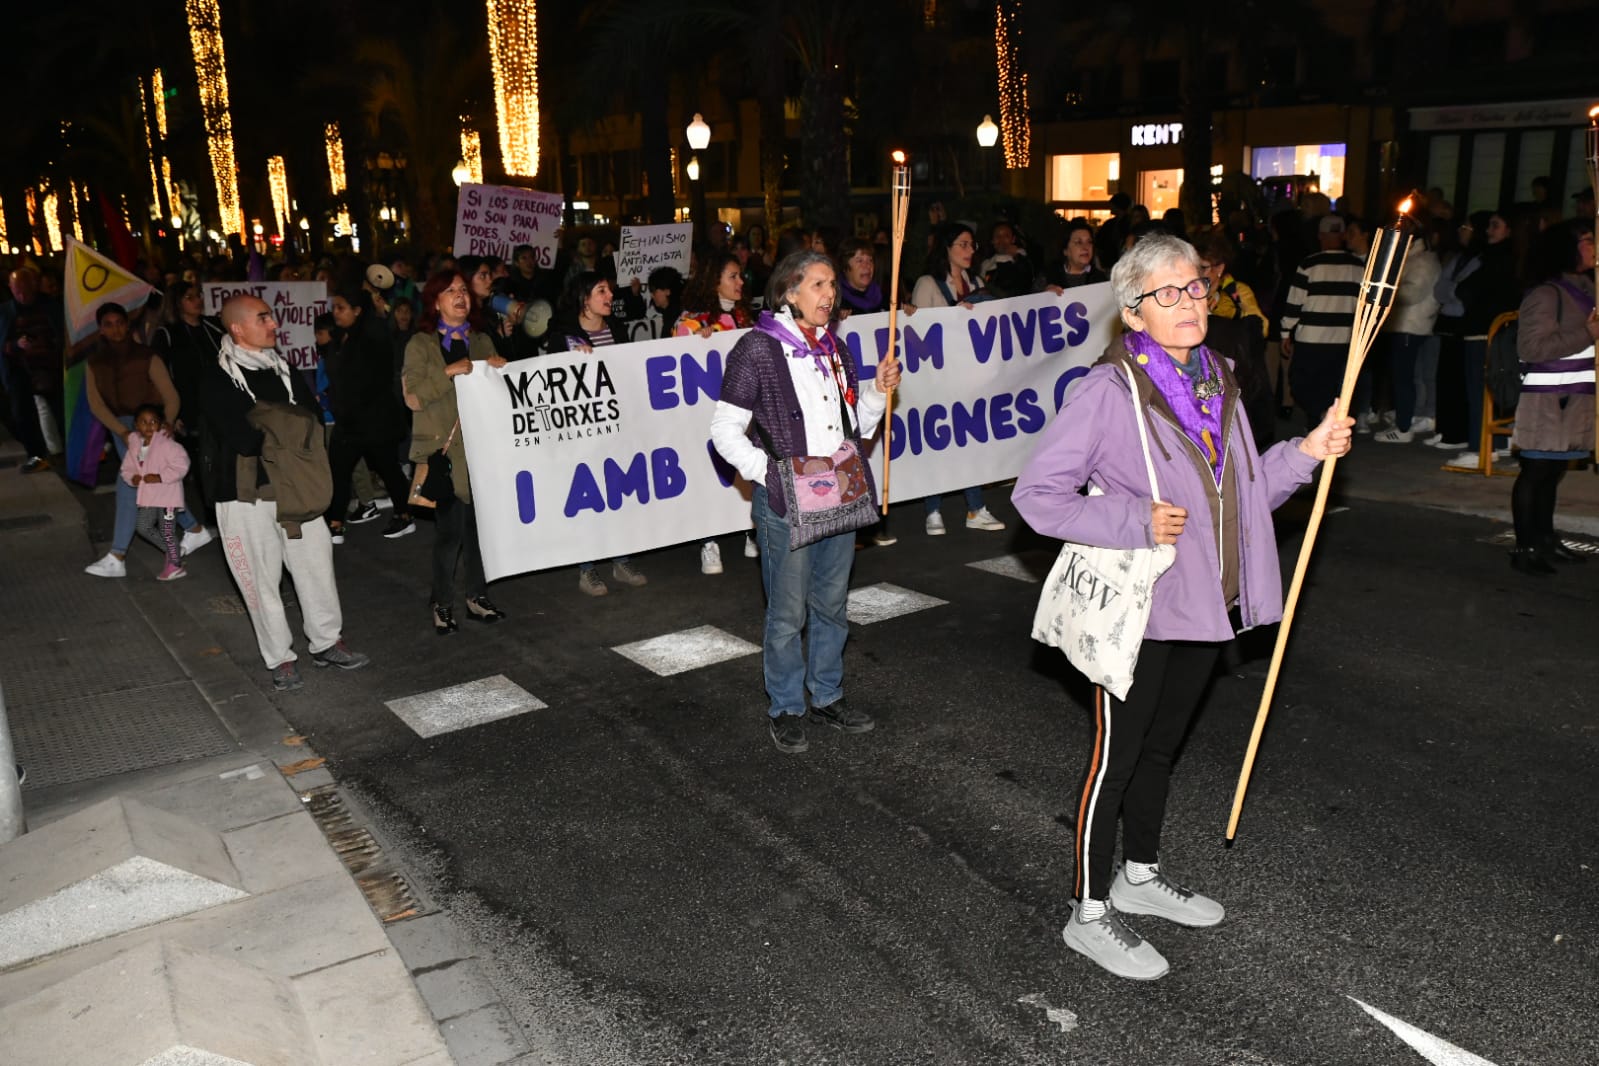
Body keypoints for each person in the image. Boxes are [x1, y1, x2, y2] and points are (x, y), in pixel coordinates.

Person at [1012, 233, 1353, 981]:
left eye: (1194, 287)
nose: (1188, 302)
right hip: (1138, 609)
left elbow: (1244, 493)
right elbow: (1036, 497)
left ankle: (1137, 877)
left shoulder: (1219, 380)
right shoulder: (1107, 393)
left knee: (1163, 749)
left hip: (1204, 603)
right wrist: (1131, 518)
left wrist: (1307, 449)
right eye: (1166, 293)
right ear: (1133, 313)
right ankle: (1087, 912)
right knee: (1117, 758)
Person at [710, 250, 902, 754]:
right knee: (787, 611)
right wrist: (768, 477)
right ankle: (787, 706)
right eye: (818, 285)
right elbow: (723, 432)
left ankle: (827, 695)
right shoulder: (756, 349)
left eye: (832, 284)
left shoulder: (836, 349)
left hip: (837, 490)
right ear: (789, 293)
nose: (830, 294)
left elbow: (855, 427)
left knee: (832, 604)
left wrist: (879, 395)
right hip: (785, 499)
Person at [200, 294, 370, 691]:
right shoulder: (216, 377)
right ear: (238, 328)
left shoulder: (283, 369)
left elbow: (309, 420)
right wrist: (286, 431)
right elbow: (243, 437)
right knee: (260, 579)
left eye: (272, 317)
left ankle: (327, 642)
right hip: (243, 495)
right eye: (264, 318)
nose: (275, 324)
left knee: (316, 565)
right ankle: (280, 658)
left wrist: (278, 430)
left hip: (296, 487)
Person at [402, 272, 508, 632]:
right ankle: (442, 603)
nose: (460, 296)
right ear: (436, 301)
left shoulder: (481, 340)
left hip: (481, 452)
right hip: (444, 455)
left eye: (464, 290)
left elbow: (501, 396)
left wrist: (501, 372)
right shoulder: (420, 344)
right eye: (450, 291)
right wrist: (447, 372)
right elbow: (412, 397)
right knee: (450, 534)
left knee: (480, 532)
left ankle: (476, 597)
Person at [83, 303, 213, 578]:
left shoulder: (146, 356)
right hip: (123, 429)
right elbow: (96, 404)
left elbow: (171, 394)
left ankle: (117, 555)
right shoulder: (95, 363)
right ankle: (193, 529)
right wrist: (121, 432)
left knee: (131, 487)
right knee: (146, 485)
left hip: (149, 427)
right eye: (109, 324)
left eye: (120, 322)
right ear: (101, 329)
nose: (116, 328)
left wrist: (165, 423)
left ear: (127, 325)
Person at [545, 272, 649, 593]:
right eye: (601, 291)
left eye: (610, 290)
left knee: (617, 492)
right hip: (582, 432)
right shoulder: (562, 334)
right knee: (588, 496)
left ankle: (621, 559)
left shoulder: (616, 329)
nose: (609, 296)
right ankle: (587, 568)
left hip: (616, 427)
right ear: (583, 299)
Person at [1507, 221, 1597, 576]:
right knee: (1536, 471)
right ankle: (1525, 546)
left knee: (1553, 471)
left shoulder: (1587, 287)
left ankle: (1545, 539)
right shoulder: (1546, 294)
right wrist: (1586, 333)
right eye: (1588, 241)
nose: (1594, 246)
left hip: (1575, 397)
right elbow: (1531, 348)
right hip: (1548, 400)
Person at [908, 223, 1006, 535]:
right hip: (938, 380)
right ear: (947, 248)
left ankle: (975, 508)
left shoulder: (975, 281)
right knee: (939, 442)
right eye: (963, 244)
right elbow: (920, 332)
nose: (970, 250)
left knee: (970, 441)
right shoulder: (928, 284)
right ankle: (932, 509)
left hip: (968, 378)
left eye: (972, 245)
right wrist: (954, 314)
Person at [322, 286, 416, 543]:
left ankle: (405, 515)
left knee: (388, 469)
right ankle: (336, 522)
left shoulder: (373, 337)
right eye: (335, 308)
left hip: (373, 421)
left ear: (357, 310)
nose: (336, 313)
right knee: (339, 470)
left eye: (341, 308)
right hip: (350, 421)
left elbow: (370, 380)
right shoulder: (341, 336)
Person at [151, 280, 227, 522]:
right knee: (198, 462)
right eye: (190, 297)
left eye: (198, 296)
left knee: (220, 459)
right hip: (188, 407)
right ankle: (206, 513)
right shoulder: (167, 335)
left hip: (217, 404)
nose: (198, 301)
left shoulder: (213, 328)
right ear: (177, 303)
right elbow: (160, 378)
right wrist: (172, 414)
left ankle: (221, 508)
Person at [1279, 215, 1363, 429]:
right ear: (1343, 236)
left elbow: (1294, 302)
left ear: (1320, 236)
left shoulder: (1309, 265)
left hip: (1312, 339)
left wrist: (1285, 332)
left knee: (1304, 383)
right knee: (1335, 384)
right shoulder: (1358, 266)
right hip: (1343, 338)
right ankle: (1327, 419)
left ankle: (1316, 419)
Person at [1373, 226, 1442, 443]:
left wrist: (1388, 288)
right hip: (1406, 324)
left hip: (1410, 325)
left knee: (1404, 378)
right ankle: (1406, 419)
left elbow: (1412, 293)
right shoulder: (1412, 258)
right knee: (1408, 376)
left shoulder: (1422, 261)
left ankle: (1404, 427)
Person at [0, 265, 64, 472]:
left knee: (59, 412)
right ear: (10, 288)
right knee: (22, 415)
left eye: (26, 290)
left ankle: (63, 453)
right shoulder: (5, 312)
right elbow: (2, 345)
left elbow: (62, 334)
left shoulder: (50, 306)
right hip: (21, 372)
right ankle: (36, 455)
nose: (22, 295)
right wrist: (16, 345)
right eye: (18, 291)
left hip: (50, 369)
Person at [119, 404, 191, 582]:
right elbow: (126, 468)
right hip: (149, 497)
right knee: (143, 526)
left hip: (168, 497)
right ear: (136, 425)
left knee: (167, 530)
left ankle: (175, 565)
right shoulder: (135, 445)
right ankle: (173, 550)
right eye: (143, 422)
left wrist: (161, 477)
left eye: (153, 421)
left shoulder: (167, 444)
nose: (149, 425)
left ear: (160, 424)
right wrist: (132, 477)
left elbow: (182, 464)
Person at [674, 253, 754, 338]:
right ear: (714, 281)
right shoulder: (692, 319)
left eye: (740, 276)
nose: (741, 282)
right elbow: (677, 344)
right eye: (733, 276)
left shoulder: (743, 313)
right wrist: (695, 338)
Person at [1047, 219, 1108, 289]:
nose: (1085, 247)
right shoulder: (1049, 277)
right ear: (1065, 250)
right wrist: (1046, 295)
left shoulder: (1101, 280)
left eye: (1089, 242)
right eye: (1078, 242)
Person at [835, 237, 889, 316]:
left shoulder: (885, 297)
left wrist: (908, 312)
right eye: (859, 261)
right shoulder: (835, 302)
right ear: (845, 266)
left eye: (870, 260)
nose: (867, 265)